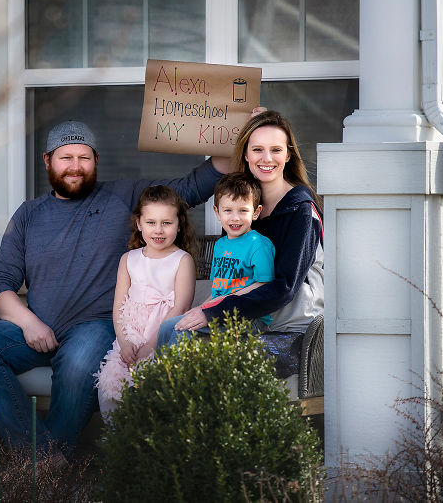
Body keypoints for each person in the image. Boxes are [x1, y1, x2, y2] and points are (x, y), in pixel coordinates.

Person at [0, 120, 230, 458]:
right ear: (47, 161)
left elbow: (192, 187)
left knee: (80, 360)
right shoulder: (28, 215)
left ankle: (40, 472)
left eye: (83, 157)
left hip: (96, 327)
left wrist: (234, 134)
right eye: (65, 157)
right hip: (36, 328)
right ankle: (44, 459)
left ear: (96, 160)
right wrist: (28, 323)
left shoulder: (123, 197)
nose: (75, 166)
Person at [158, 109, 323, 348]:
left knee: (181, 337)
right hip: (245, 310)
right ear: (246, 154)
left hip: (289, 323)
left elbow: (284, 288)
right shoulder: (241, 207)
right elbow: (235, 274)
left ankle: (172, 386)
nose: (267, 158)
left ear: (288, 155)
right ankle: (158, 385)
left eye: (276, 150)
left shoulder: (302, 210)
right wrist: (209, 306)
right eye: (257, 149)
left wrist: (214, 312)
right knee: (167, 327)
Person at [93, 185, 198, 415]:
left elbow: (180, 307)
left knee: (154, 394)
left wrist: (151, 346)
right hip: (130, 337)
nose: (158, 230)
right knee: (110, 391)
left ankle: (150, 446)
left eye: (166, 223)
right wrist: (124, 342)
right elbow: (118, 306)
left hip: (165, 338)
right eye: (151, 222)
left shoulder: (182, 260)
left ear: (179, 225)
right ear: (139, 224)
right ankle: (120, 445)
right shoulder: (128, 259)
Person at [177, 172, 276, 335]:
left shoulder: (259, 244)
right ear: (217, 212)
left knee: (184, 333)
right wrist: (201, 307)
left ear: (256, 212)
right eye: (228, 210)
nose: (235, 218)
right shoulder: (220, 245)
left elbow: (264, 284)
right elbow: (218, 289)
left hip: (250, 317)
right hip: (220, 311)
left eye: (243, 210)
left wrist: (224, 301)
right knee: (173, 326)